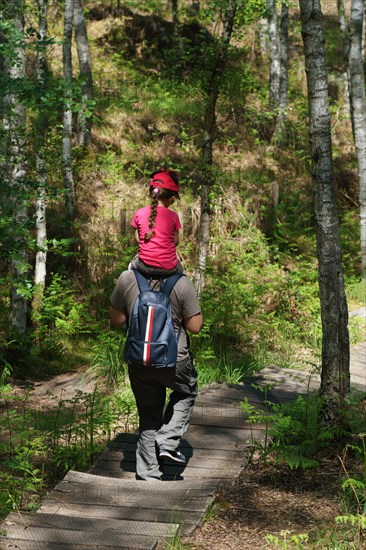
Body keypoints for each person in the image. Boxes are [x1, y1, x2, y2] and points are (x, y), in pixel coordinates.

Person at [109, 268, 203, 481]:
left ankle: (148, 474)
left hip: (139, 359)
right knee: (186, 392)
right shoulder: (181, 283)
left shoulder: (127, 279)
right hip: (175, 360)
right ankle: (167, 440)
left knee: (149, 413)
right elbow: (195, 326)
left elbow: (116, 320)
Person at [129, 169, 183, 278]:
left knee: (130, 267)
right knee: (181, 272)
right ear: (172, 198)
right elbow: (176, 241)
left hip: (143, 266)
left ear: (150, 194)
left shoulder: (139, 213)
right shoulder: (173, 216)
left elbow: (138, 238)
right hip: (169, 269)